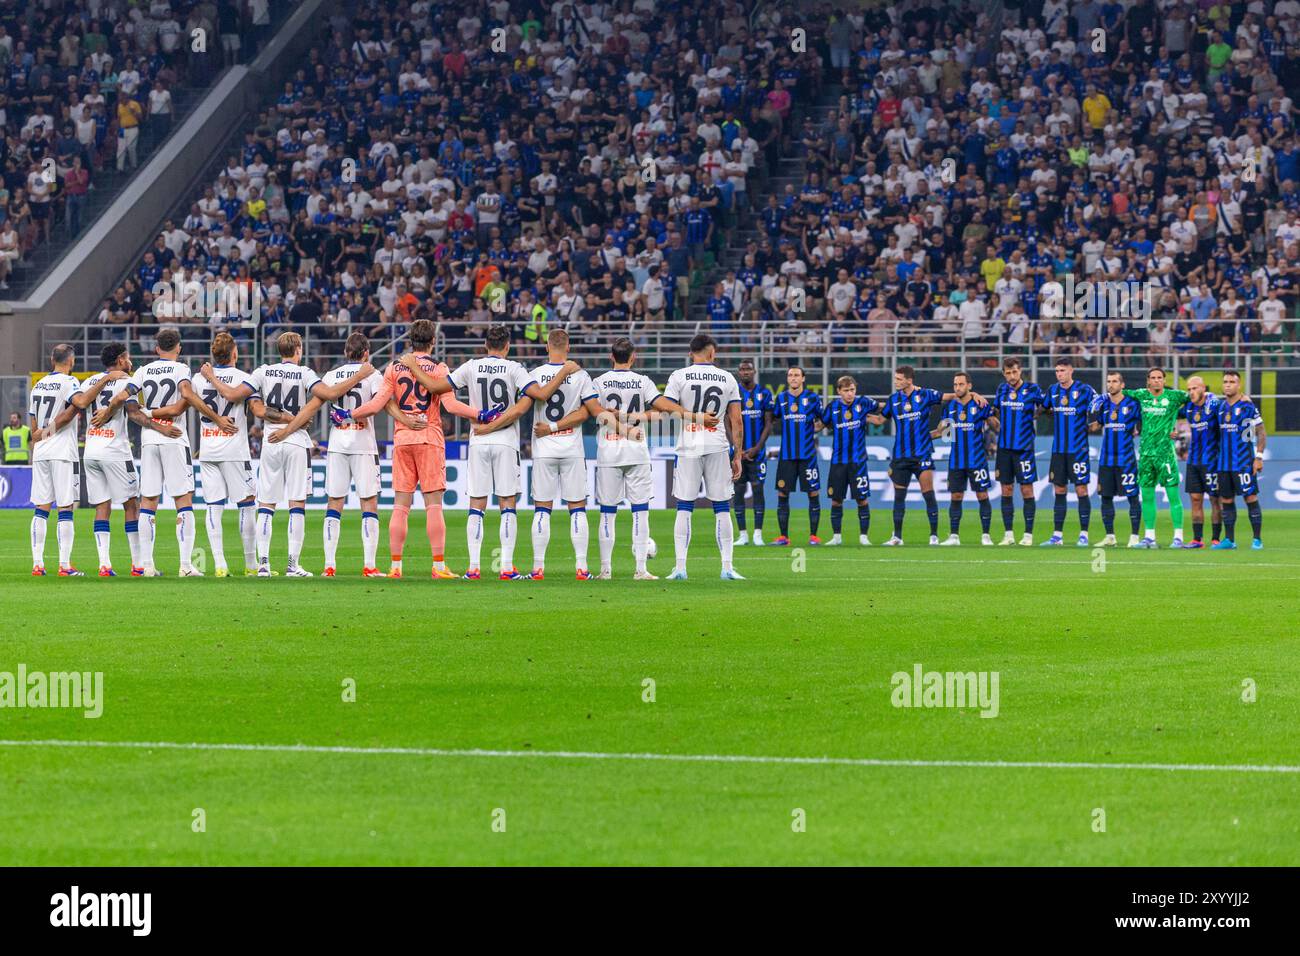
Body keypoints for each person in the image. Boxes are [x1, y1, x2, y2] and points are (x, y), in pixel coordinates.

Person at [662, 334, 745, 580]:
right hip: (717, 444)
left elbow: (665, 406)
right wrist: (737, 454)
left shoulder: (679, 376)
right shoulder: (727, 377)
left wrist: (692, 416)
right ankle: (727, 567)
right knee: (721, 507)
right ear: (712, 353)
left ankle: (680, 568)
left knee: (684, 506)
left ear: (691, 353)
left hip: (689, 444)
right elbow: (736, 420)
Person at [1123, 367, 1191, 548]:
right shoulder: (1141, 395)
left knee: (1173, 496)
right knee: (1146, 496)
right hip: (1145, 454)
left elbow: (1197, 398)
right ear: (1148, 380)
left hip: (1165, 454)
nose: (1156, 381)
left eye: (1159, 377)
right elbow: (1118, 393)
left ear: (1164, 379)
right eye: (1153, 378)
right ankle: (1149, 538)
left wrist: (1180, 428)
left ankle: (1178, 537)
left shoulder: (1175, 396)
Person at [1039, 358, 1097, 547]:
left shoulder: (1085, 390)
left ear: (1071, 371)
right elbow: (1044, 408)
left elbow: (1101, 404)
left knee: (1081, 489)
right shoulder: (1053, 391)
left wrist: (1094, 424)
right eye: (1057, 371)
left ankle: (1084, 534)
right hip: (1058, 450)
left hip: (1078, 450)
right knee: (1059, 490)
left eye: (1062, 370)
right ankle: (1057, 536)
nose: (1059, 374)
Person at [935, 372, 996, 546]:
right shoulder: (949, 407)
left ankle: (986, 535)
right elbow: (946, 435)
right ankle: (954, 536)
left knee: (982, 495)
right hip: (956, 460)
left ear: (969, 385)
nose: (957, 388)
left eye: (961, 384)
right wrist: (939, 429)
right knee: (956, 496)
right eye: (955, 385)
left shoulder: (980, 404)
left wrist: (990, 415)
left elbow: (996, 425)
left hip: (977, 459)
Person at [820, 375, 882, 546]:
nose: (850, 394)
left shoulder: (863, 403)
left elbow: (882, 410)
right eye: (846, 390)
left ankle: (864, 536)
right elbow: (821, 425)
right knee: (836, 499)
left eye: (852, 390)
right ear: (839, 391)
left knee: (862, 498)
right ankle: (836, 537)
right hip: (838, 461)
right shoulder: (832, 408)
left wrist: (886, 414)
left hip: (858, 461)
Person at [990, 358, 1044, 546]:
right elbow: (994, 411)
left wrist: (1035, 416)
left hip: (1024, 448)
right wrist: (994, 422)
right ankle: (1009, 534)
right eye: (1008, 372)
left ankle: (1028, 535)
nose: (1011, 376)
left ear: (1020, 371)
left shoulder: (1033, 389)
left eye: (1014, 372)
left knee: (1026, 489)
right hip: (1004, 448)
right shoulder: (1001, 390)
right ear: (1004, 373)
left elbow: (1044, 407)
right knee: (1006, 489)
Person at [1211, 371, 1266, 550]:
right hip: (1223, 463)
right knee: (1226, 500)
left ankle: (1257, 539)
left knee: (1250, 497)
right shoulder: (1219, 407)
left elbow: (1261, 431)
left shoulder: (1247, 406)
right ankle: (1229, 540)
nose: (1228, 385)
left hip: (1243, 462)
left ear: (1239, 385)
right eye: (1225, 381)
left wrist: (1258, 457)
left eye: (1232, 382)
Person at [1089, 372, 1144, 548]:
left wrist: (1139, 430)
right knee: (1105, 497)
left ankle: (1134, 536)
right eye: (1108, 381)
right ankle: (1110, 536)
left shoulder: (1132, 404)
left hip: (1126, 458)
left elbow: (1142, 424)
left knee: (1132, 497)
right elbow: (1096, 426)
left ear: (1122, 384)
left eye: (1114, 381)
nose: (1111, 384)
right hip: (1106, 459)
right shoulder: (1104, 404)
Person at [771, 366, 823, 546]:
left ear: (803, 379)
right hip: (787, 455)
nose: (793, 378)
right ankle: (783, 537)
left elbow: (822, 419)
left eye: (796, 375)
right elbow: (774, 418)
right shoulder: (782, 399)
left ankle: (814, 536)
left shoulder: (813, 398)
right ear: (787, 379)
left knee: (813, 492)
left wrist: (816, 428)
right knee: (783, 492)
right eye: (790, 375)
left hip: (807, 455)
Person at [733, 359, 773, 546]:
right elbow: (727, 420)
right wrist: (736, 447)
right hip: (738, 453)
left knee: (758, 490)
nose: (745, 372)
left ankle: (758, 534)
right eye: (742, 369)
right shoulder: (733, 392)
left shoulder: (764, 393)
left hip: (758, 453)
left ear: (754, 371)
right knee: (738, 491)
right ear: (739, 372)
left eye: (748, 369)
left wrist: (757, 448)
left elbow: (768, 423)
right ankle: (743, 535)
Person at [1180, 375, 1222, 549]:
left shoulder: (1214, 405)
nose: (1191, 392)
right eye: (1189, 389)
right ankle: (1197, 540)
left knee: (1214, 499)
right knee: (1195, 499)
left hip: (1212, 460)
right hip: (1193, 460)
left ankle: (1216, 539)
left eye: (1195, 388)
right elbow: (1170, 413)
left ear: (1203, 388)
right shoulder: (1188, 408)